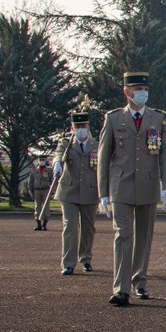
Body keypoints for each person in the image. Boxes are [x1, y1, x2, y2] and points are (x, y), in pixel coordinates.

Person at [98, 70, 166, 306]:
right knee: (123, 235)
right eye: (138, 90)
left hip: (149, 184)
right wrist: (103, 192)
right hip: (121, 185)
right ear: (127, 92)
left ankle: (139, 281)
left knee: (144, 236)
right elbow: (103, 157)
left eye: (145, 89)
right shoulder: (113, 119)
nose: (142, 93)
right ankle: (121, 288)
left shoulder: (159, 118)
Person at [54, 110, 99, 276]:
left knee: (88, 228)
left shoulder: (95, 144)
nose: (80, 128)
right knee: (70, 227)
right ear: (72, 127)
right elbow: (58, 154)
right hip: (69, 191)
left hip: (90, 191)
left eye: (83, 125)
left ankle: (86, 258)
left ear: (88, 127)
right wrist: (58, 163)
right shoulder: (66, 143)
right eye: (77, 126)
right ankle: (68, 263)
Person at [27, 155, 54, 231]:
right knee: (37, 207)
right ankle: (38, 224)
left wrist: (52, 192)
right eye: (40, 159)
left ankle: (44, 225)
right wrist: (31, 191)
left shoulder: (49, 170)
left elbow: (52, 181)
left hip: (46, 190)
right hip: (37, 190)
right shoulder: (34, 170)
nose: (42, 161)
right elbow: (30, 182)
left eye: (44, 160)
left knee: (46, 207)